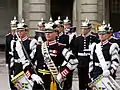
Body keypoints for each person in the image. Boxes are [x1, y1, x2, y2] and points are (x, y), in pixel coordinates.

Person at [24, 23, 78, 90]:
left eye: (50, 32)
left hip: (53, 80)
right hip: (39, 80)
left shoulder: (61, 48)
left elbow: (74, 62)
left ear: (56, 33)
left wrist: (62, 74)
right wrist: (32, 75)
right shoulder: (38, 47)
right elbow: (26, 63)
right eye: (46, 32)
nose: (47, 34)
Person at [10, 19, 41, 88]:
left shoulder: (32, 42)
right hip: (17, 68)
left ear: (26, 31)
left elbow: (33, 57)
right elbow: (12, 57)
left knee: (27, 86)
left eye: (21, 31)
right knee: (16, 87)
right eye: (18, 31)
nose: (19, 33)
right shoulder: (14, 43)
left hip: (27, 67)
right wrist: (11, 70)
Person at [71, 18, 99, 90]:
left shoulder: (93, 38)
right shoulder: (77, 39)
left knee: (89, 78)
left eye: (85, 29)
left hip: (89, 61)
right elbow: (74, 51)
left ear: (89, 29)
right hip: (80, 61)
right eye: (82, 29)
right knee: (81, 79)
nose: (83, 30)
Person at [5, 16, 18, 90]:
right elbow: (7, 49)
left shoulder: (19, 36)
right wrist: (7, 61)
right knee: (10, 74)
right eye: (12, 26)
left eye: (14, 26)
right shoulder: (8, 36)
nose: (13, 28)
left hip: (17, 58)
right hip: (11, 58)